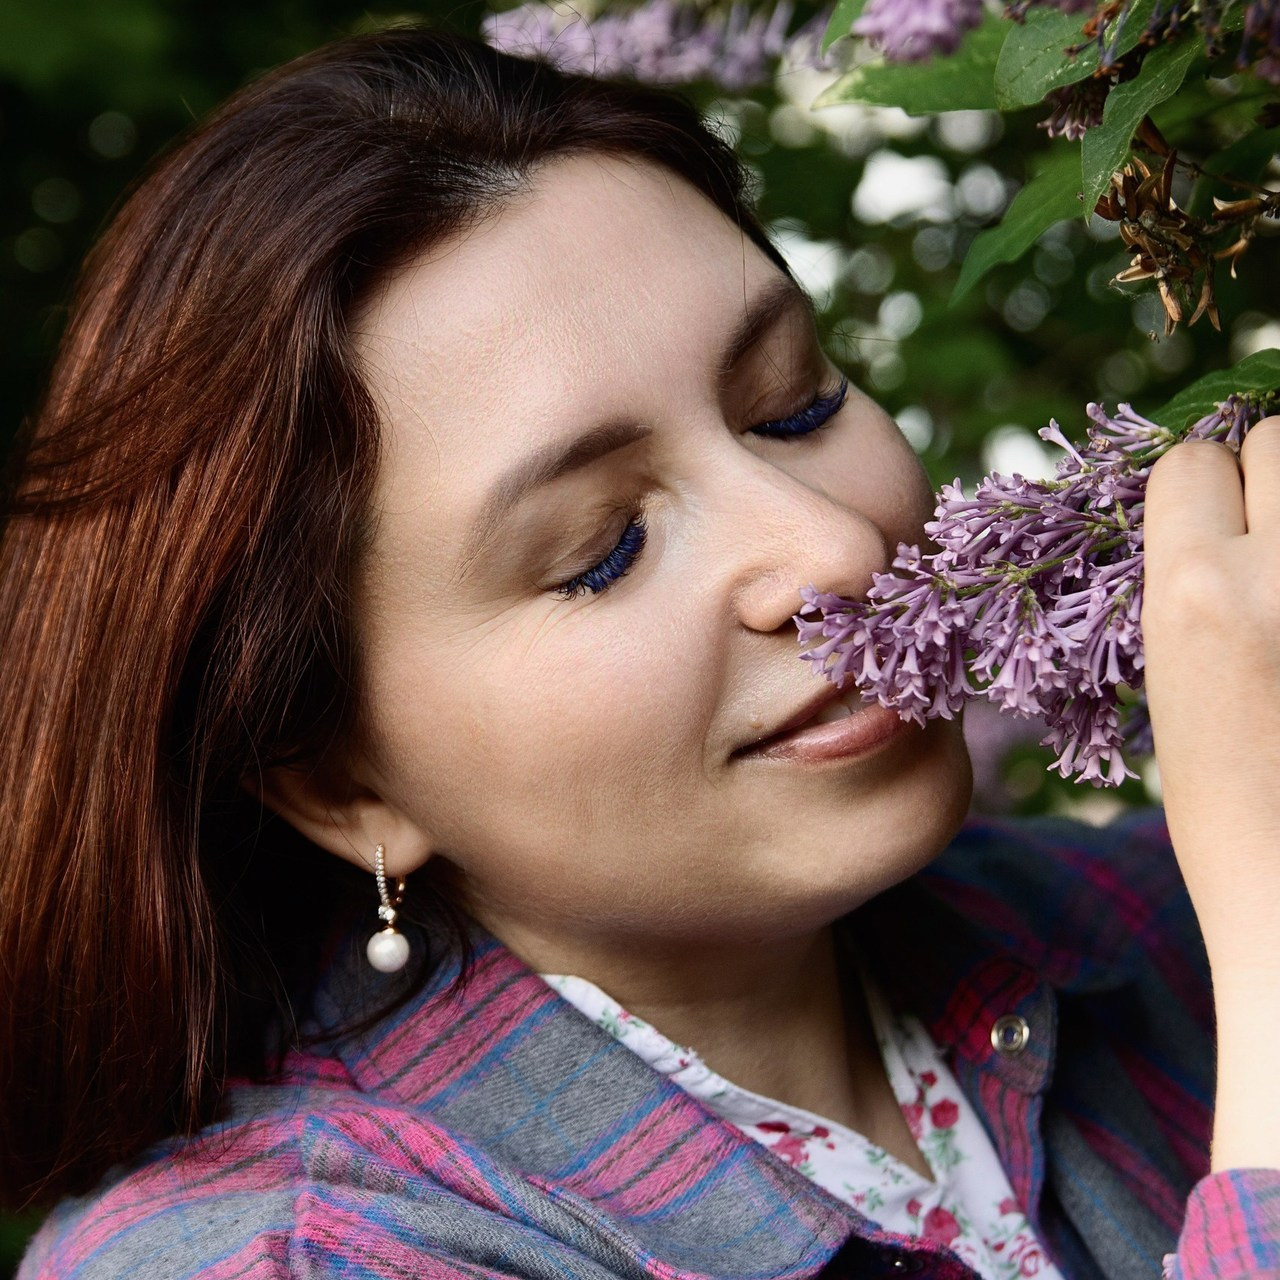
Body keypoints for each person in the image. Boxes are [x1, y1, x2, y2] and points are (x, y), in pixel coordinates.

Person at [0, 22, 1276, 1280]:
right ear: (340, 780)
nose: (832, 548)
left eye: (797, 404)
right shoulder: (268, 1256)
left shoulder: (1139, 919)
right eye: (602, 549)